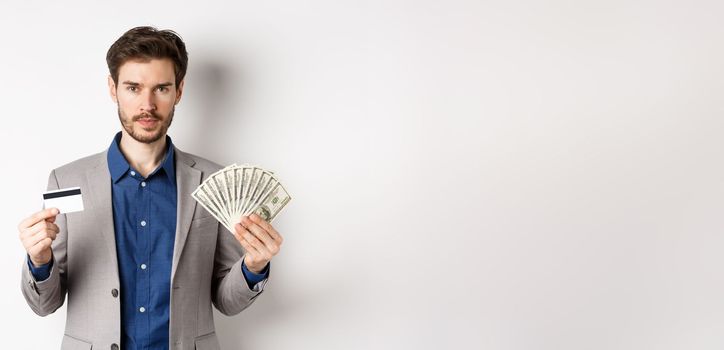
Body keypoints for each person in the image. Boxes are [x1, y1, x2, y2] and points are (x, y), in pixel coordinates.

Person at [17, 26, 284, 350]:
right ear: (113, 89)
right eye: (133, 87)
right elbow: (45, 304)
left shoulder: (215, 182)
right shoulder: (67, 181)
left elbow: (227, 302)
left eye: (161, 88)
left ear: (179, 91)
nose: (147, 104)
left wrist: (253, 267)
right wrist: (39, 260)